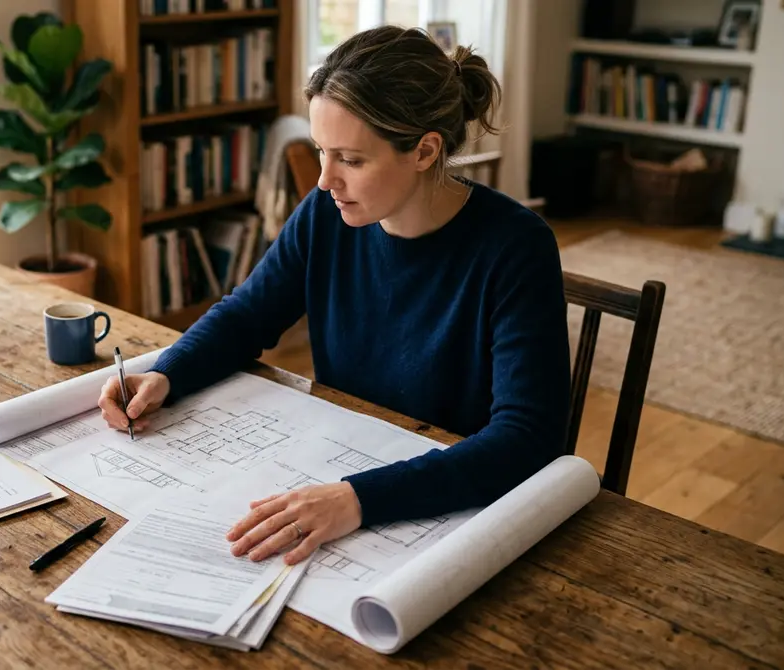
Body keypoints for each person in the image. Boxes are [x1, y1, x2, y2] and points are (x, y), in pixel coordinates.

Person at [97, 26, 572, 568]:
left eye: (350, 159)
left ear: (425, 150)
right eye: (321, 152)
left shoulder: (517, 246)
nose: (324, 181)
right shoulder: (329, 214)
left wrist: (356, 499)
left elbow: (527, 439)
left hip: (450, 513)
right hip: (343, 464)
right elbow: (249, 314)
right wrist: (169, 372)